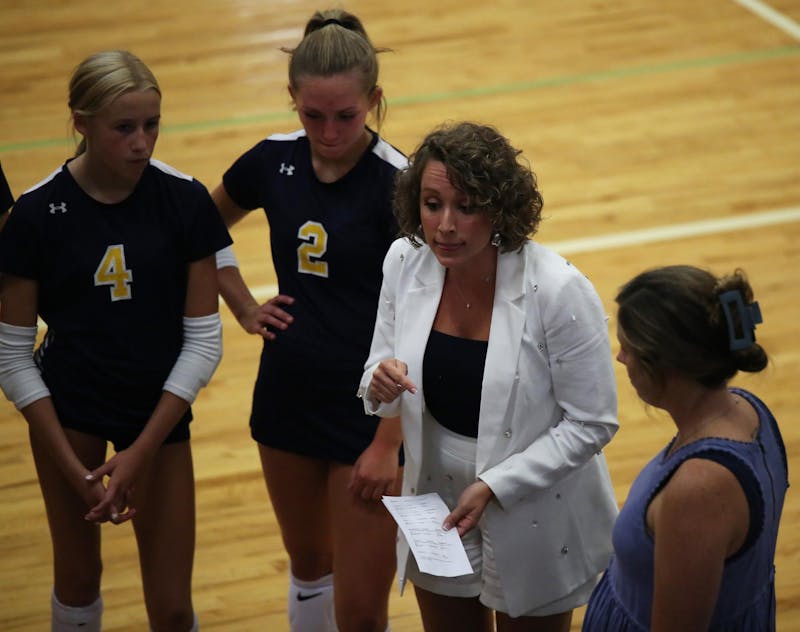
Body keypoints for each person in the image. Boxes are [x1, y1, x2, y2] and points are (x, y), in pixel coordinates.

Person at [0, 50, 231, 632]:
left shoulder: (183, 201)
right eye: (123, 128)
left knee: (174, 606)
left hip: (157, 410)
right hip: (69, 411)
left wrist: (142, 449)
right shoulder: (34, 216)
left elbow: (204, 342)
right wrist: (70, 465)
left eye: (152, 124)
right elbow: (11, 355)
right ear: (81, 123)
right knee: (77, 582)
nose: (142, 143)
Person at [358, 121, 619, 632]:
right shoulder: (404, 262)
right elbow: (377, 367)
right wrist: (379, 382)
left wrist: (496, 486)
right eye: (433, 204)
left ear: (500, 209)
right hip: (435, 498)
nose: (445, 226)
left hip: (534, 502)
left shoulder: (560, 290)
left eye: (467, 207)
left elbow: (592, 422)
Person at [211, 9, 407, 632]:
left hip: (369, 411)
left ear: (373, 101)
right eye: (311, 114)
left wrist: (391, 439)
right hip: (287, 394)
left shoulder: (401, 183)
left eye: (345, 115)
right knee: (307, 568)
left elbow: (429, 315)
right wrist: (242, 303)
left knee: (359, 609)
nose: (327, 130)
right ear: (291, 97)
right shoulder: (272, 160)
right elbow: (198, 227)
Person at [582, 265, 787, 631]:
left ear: (666, 364)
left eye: (629, 349)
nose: (621, 359)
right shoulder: (748, 408)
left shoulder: (700, 489)